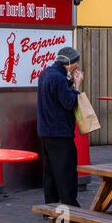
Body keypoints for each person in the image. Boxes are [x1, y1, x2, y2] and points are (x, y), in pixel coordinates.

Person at [37, 47, 84, 208]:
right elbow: (69, 102)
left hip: (46, 131)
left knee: (50, 171)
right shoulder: (58, 78)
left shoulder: (46, 74)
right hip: (60, 133)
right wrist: (77, 86)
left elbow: (57, 94)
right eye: (76, 62)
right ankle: (70, 206)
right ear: (69, 63)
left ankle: (50, 207)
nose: (77, 65)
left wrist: (69, 82)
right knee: (66, 172)